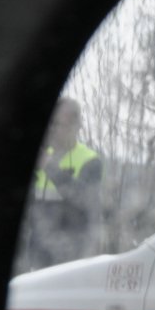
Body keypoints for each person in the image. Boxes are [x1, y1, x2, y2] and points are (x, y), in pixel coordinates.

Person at [22, 97, 103, 271]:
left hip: (68, 262)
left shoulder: (90, 161)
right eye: (51, 124)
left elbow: (84, 200)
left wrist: (51, 168)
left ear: (75, 127)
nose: (53, 130)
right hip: (35, 259)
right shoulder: (41, 155)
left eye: (59, 124)